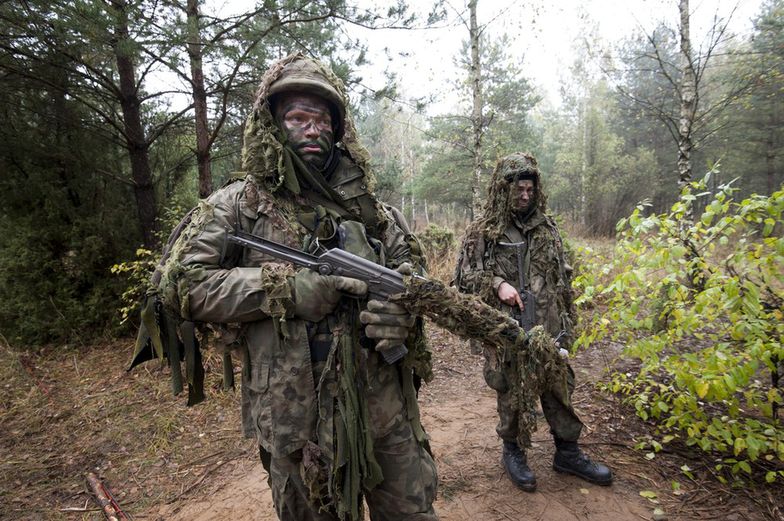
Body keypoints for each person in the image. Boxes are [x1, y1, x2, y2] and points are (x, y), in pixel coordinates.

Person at [159, 53, 437, 521]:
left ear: (338, 128)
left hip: (385, 413)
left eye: (322, 119)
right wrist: (286, 291)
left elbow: (416, 279)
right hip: (295, 423)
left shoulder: (374, 212)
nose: (312, 129)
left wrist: (402, 312)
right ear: (273, 125)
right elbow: (181, 285)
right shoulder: (237, 207)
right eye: (297, 118)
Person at [454, 152, 612, 492]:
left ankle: (567, 453)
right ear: (502, 190)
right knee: (511, 390)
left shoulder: (546, 226)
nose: (524, 196)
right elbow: (464, 277)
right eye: (517, 190)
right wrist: (499, 285)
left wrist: (565, 322)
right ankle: (513, 451)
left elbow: (561, 275)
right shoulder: (483, 231)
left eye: (529, 189)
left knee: (558, 387)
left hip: (548, 326)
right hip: (507, 328)